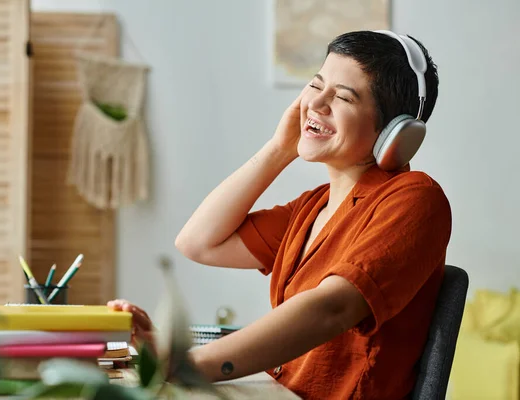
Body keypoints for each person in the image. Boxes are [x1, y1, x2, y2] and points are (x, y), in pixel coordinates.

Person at [108, 30, 451, 399]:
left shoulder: (415, 199)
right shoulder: (311, 208)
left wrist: (186, 364)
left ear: (394, 131)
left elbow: (330, 308)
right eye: (316, 86)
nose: (316, 104)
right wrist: (278, 149)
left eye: (343, 97)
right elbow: (198, 243)